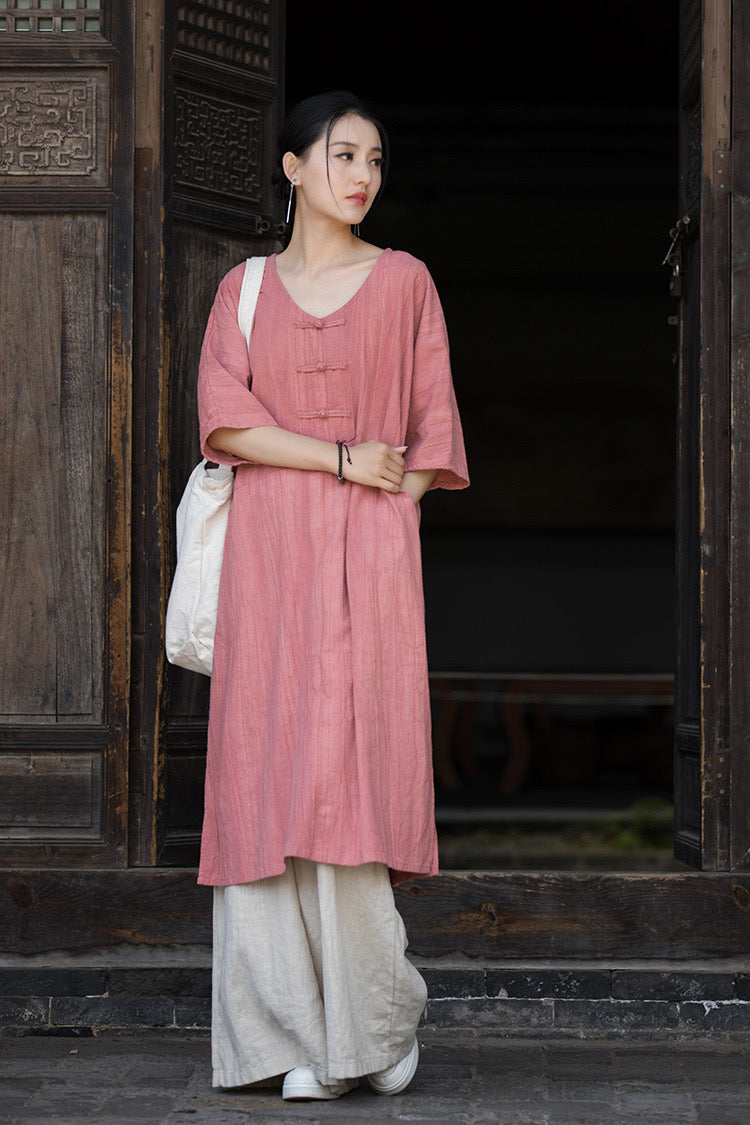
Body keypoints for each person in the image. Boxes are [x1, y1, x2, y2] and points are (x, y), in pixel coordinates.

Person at [196, 90, 469, 1101]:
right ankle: (290, 1035)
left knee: (347, 784)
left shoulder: (404, 281)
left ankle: (375, 1030)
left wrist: (382, 512)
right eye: (343, 155)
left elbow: (431, 433)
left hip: (369, 562)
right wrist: (343, 458)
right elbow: (223, 421)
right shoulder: (244, 290)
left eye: (376, 160)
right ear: (293, 166)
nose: (362, 175)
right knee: (262, 783)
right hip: (266, 561)